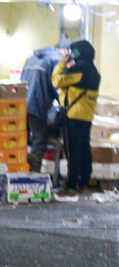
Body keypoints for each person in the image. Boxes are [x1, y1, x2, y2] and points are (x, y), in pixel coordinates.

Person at [52, 40, 99, 196]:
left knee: (73, 151)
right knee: (85, 150)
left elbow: (57, 81)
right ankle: (84, 183)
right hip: (87, 116)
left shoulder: (79, 68)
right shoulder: (94, 71)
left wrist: (61, 63)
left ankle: (71, 185)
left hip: (73, 116)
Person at [21, 40, 67, 172]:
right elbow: (56, 86)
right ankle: (33, 175)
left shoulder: (32, 59)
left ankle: (21, 171)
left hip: (22, 105)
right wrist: (64, 103)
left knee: (21, 142)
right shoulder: (55, 60)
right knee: (40, 141)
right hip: (37, 106)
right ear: (64, 51)